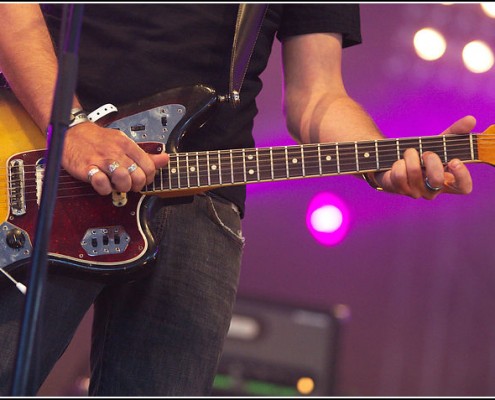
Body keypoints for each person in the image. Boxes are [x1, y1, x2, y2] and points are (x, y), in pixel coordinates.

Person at [0, 3, 475, 396]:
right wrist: (70, 125)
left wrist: (382, 161)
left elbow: (317, 96)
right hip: (44, 161)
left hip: (203, 197)